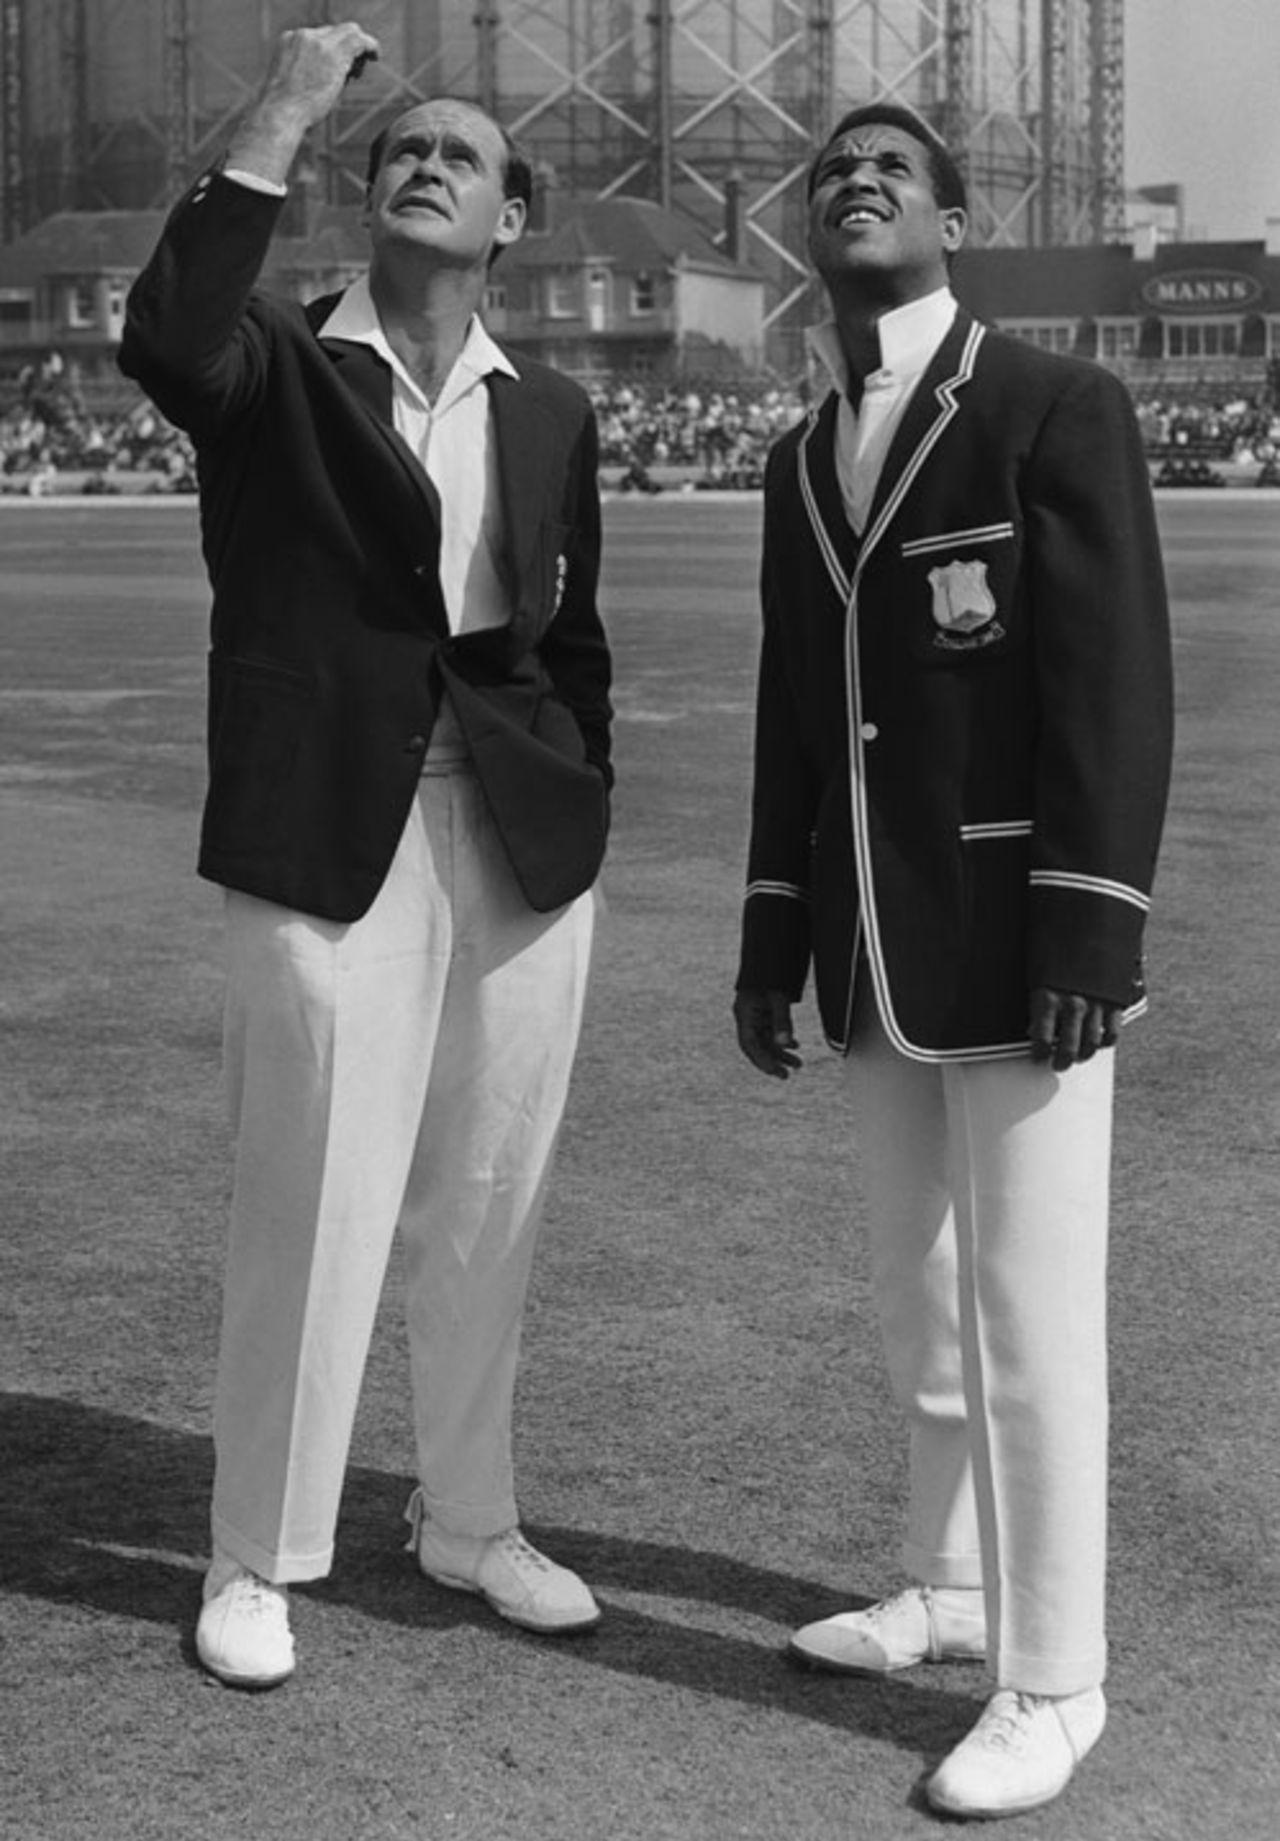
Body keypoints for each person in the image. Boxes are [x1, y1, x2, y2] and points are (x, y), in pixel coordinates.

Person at [119, 21, 613, 1689]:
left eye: (460, 153)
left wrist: (579, 796)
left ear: (512, 217)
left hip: (522, 851)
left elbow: (573, 635)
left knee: (492, 1199)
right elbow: (165, 332)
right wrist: (287, 98)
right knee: (312, 1200)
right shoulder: (273, 365)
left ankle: (469, 1518)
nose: (424, 160)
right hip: (333, 834)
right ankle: (255, 1550)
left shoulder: (547, 412)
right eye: (401, 147)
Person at [733, 103, 1172, 1819]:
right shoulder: (797, 453)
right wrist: (776, 927)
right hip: (867, 944)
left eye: (893, 167)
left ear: (954, 215)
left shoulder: (1056, 405)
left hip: (1020, 941)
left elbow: (1112, 682)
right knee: (922, 1300)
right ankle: (953, 1583)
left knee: (1031, 1317)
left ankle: (1056, 1675)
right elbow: (797, 712)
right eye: (832, 169)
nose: (856, 179)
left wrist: (1091, 919)